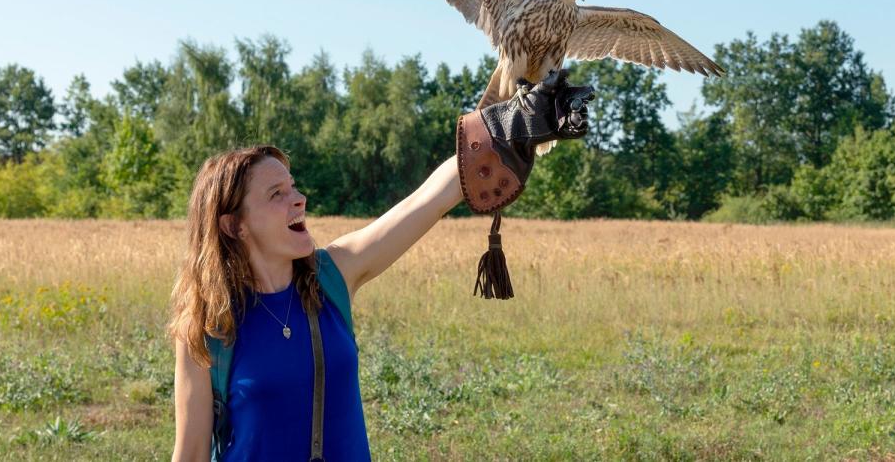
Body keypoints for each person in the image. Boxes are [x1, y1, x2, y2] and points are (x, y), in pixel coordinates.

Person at [167, 70, 591, 460]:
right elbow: (189, 455)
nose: (299, 200)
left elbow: (428, 200)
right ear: (233, 225)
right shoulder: (207, 328)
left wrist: (499, 133)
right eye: (276, 194)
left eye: (293, 186)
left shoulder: (333, 276)